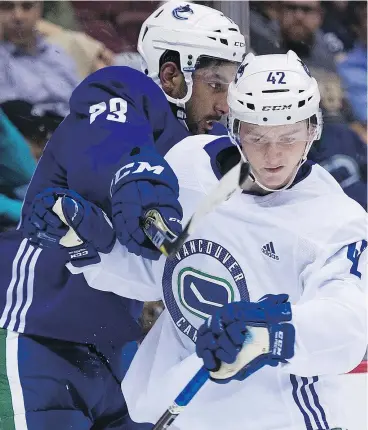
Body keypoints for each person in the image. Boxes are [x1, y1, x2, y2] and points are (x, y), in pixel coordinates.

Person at [46, 51, 367, 429]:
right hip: (183, 413)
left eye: (289, 137)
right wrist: (93, 248)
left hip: (282, 417)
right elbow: (159, 274)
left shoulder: (335, 220)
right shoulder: (189, 166)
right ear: (234, 128)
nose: (274, 155)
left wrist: (269, 337)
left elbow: (348, 322)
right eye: (257, 136)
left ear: (313, 129)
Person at [0, 2, 245, 429]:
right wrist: (140, 186)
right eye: (215, 85)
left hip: (119, 350)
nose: (225, 104)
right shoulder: (122, 91)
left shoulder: (206, 146)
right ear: (171, 76)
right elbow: (111, 150)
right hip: (37, 336)